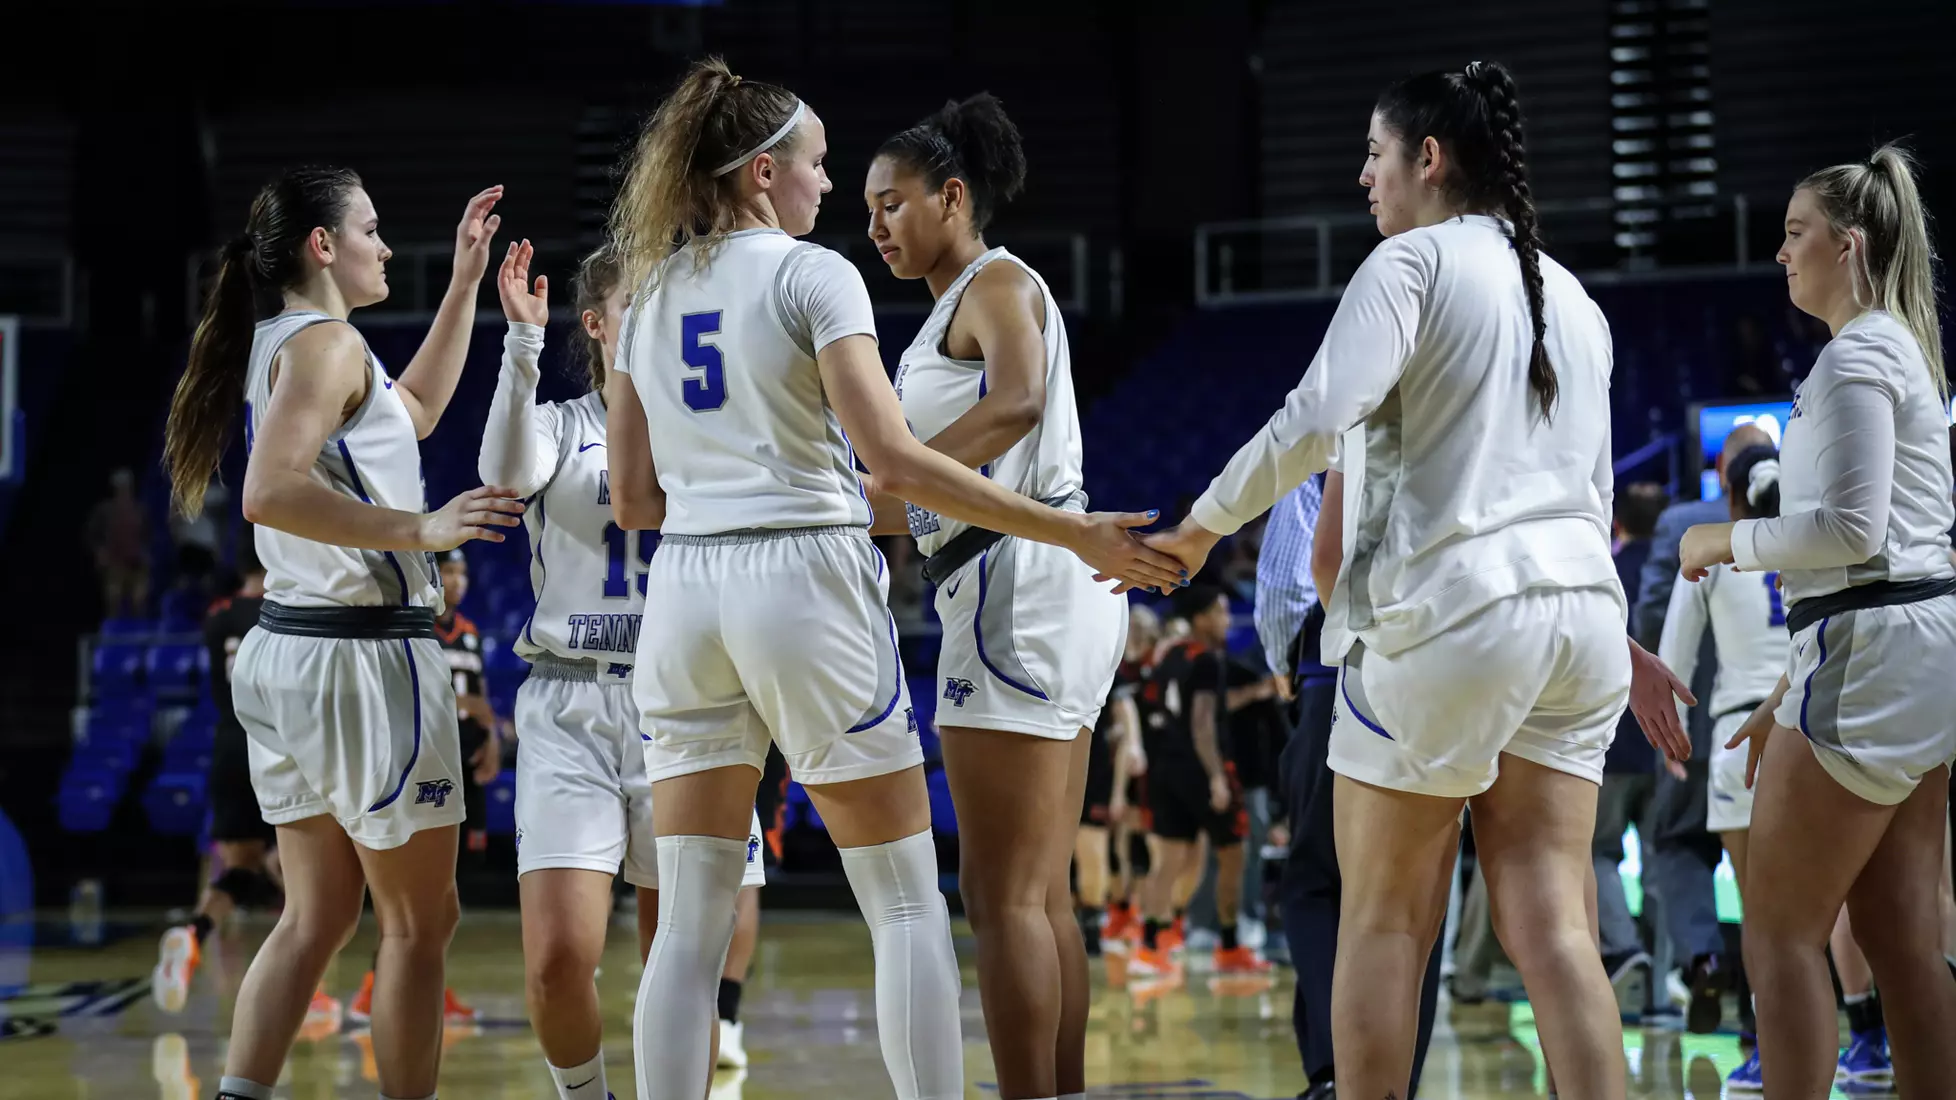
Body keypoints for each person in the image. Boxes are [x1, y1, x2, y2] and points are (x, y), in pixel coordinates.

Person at [601, 58, 1181, 1100]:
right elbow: (901, 466)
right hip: (803, 577)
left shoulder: (643, 297)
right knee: (909, 900)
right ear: (766, 172)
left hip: (683, 588)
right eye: (820, 167)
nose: (830, 192)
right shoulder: (812, 274)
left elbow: (634, 499)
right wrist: (1070, 528)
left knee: (686, 922)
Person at [1133, 62, 1697, 1099]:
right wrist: (1623, 645)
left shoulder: (1410, 265)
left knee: (1384, 919)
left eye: (1374, 154)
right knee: (1558, 925)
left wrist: (1204, 526)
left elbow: (1313, 417)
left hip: (1451, 622)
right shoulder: (1575, 299)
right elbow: (1581, 505)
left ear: (1427, 160)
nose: (1362, 177)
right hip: (1578, 627)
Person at [160, 166, 518, 1100]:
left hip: (291, 650)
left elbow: (418, 411)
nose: (386, 245)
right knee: (419, 924)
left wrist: (465, 284)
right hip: (363, 657)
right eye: (370, 228)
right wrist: (423, 529)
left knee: (315, 917)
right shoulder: (323, 345)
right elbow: (268, 491)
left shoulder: (295, 341)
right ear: (323, 246)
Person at [866, 92, 1131, 1100]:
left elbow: (1014, 400)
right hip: (1026, 578)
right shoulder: (956, 301)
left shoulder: (994, 280)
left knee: (1002, 891)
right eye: (869, 208)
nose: (878, 226)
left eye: (893, 203)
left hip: (1019, 581)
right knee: (1039, 891)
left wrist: (899, 471)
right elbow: (917, 495)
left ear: (953, 196)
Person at [1679, 144, 1956, 1099]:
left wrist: (1725, 542)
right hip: (1909, 653)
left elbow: (1851, 531)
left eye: (1797, 234)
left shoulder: (1856, 356)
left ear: (1850, 244)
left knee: (1781, 933)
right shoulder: (1898, 348)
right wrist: (1787, 694)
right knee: (1902, 941)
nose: (1783, 254)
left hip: (1874, 649)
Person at [475, 242, 767, 1098]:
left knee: (679, 967)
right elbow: (500, 474)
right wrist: (520, 348)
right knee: (559, 960)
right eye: (644, 298)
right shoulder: (565, 427)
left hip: (689, 701)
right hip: (571, 700)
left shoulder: (714, 429)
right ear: (598, 324)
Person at [1638, 425, 1774, 1032]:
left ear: (1725, 477)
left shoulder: (1699, 538)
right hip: (1815, 726)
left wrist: (1666, 729)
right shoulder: (1821, 529)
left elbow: (1669, 643)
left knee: (1748, 895)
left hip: (1730, 732)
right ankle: (1867, 1027)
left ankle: (1730, 991)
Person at [154, 542, 283, 1013]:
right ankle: (304, 992)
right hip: (280, 743)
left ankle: (193, 933)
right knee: (310, 878)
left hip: (230, 743)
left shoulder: (217, 615)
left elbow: (215, 685)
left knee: (241, 868)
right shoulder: (285, 604)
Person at [1128, 586, 1271, 980]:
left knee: (1168, 862)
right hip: (1201, 769)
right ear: (1203, 617)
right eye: (1222, 612)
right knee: (1233, 855)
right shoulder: (1207, 660)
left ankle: (1149, 946)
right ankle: (1229, 946)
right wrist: (1216, 778)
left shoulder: (1168, 655)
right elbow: (1203, 721)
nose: (1228, 620)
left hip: (1165, 770)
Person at [1591, 481, 1669, 997]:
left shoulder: (1607, 573)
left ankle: (1620, 946)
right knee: (1664, 861)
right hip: (1669, 740)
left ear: (1617, 522)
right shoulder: (1683, 574)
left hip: (1615, 740)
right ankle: (1665, 990)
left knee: (1597, 852)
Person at [86, 468, 149, 619]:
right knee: (113, 599)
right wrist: (99, 552)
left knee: (139, 600)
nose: (123, 490)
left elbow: (148, 536)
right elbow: (91, 534)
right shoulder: (104, 511)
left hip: (136, 564)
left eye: (126, 486)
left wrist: (145, 554)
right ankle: (111, 636)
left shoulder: (139, 510)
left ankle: (137, 634)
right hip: (114, 564)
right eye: (120, 487)